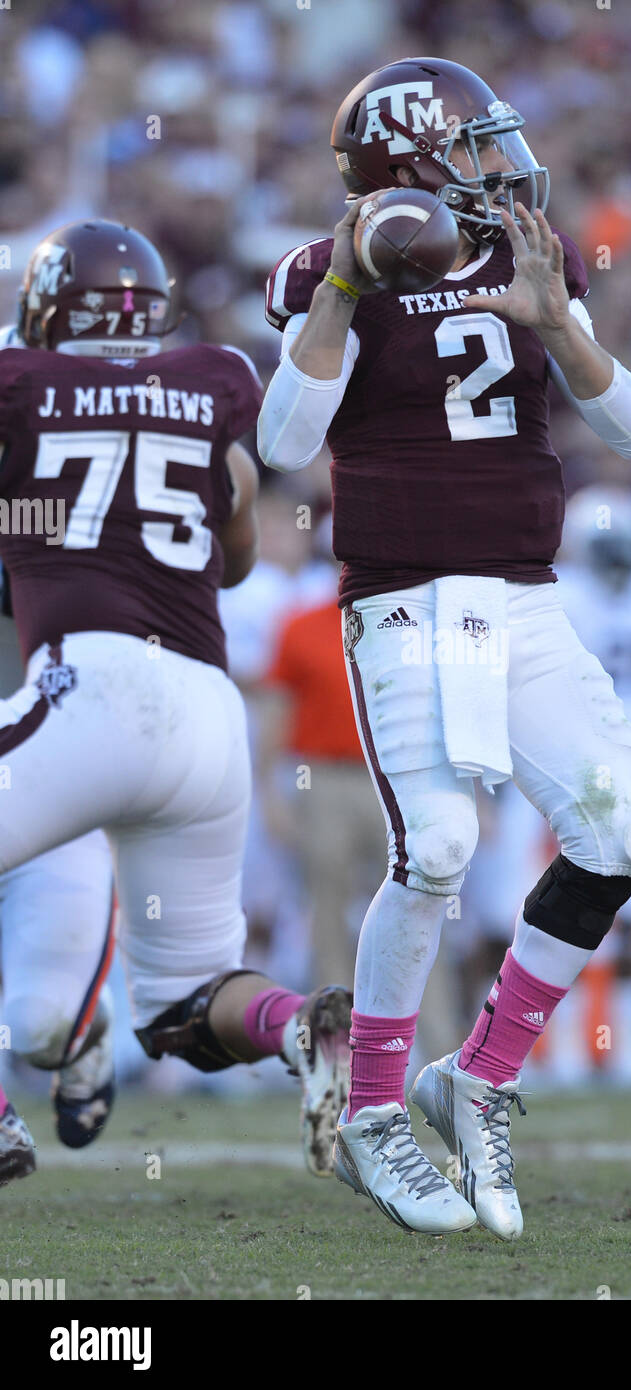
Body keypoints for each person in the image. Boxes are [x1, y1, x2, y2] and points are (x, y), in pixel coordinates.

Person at [260, 57, 631, 1237]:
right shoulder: (323, 269)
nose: (503, 161)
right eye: (475, 144)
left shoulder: (530, 252)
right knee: (436, 847)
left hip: (524, 602)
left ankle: (476, 1072)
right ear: (413, 163)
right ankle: (376, 1109)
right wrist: (339, 288)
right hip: (401, 604)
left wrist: (559, 329)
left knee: (622, 833)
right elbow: (288, 446)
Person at [0, 219, 350, 1185]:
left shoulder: (18, 383)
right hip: (204, 713)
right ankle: (296, 1031)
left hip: (88, 691)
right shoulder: (208, 380)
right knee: (185, 1002)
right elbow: (234, 552)